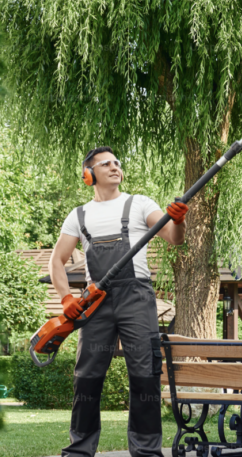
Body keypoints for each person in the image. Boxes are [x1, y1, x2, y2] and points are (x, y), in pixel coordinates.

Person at [49, 146, 188, 457]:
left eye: (116, 162)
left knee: (145, 374)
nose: (114, 167)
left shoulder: (138, 204)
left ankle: (147, 451)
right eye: (105, 164)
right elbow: (56, 261)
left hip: (135, 298)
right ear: (89, 175)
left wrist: (178, 221)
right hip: (95, 302)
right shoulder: (79, 215)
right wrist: (66, 298)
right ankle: (79, 450)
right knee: (87, 376)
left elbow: (174, 238)